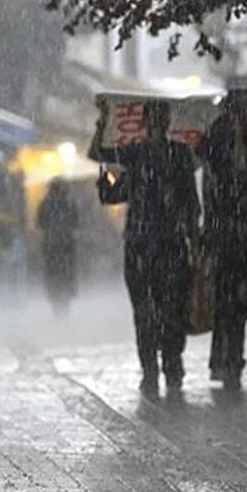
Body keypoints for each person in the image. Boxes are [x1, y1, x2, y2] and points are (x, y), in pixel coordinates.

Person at [90, 99, 200, 396]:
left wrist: (195, 238)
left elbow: (190, 202)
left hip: (168, 245)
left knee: (170, 310)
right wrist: (102, 121)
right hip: (143, 246)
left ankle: (169, 366)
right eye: (154, 117)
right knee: (147, 311)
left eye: (161, 117)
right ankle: (154, 368)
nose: (157, 123)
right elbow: (98, 155)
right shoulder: (136, 155)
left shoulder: (176, 155)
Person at [196, 99, 247, 391]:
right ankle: (230, 362)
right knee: (229, 305)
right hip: (228, 235)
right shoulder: (217, 137)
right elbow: (212, 183)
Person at [36, 178, 79, 318]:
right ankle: (64, 303)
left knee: (53, 275)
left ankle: (56, 303)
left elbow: (40, 223)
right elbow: (76, 222)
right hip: (66, 245)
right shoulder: (69, 203)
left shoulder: (45, 203)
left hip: (51, 245)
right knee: (66, 274)